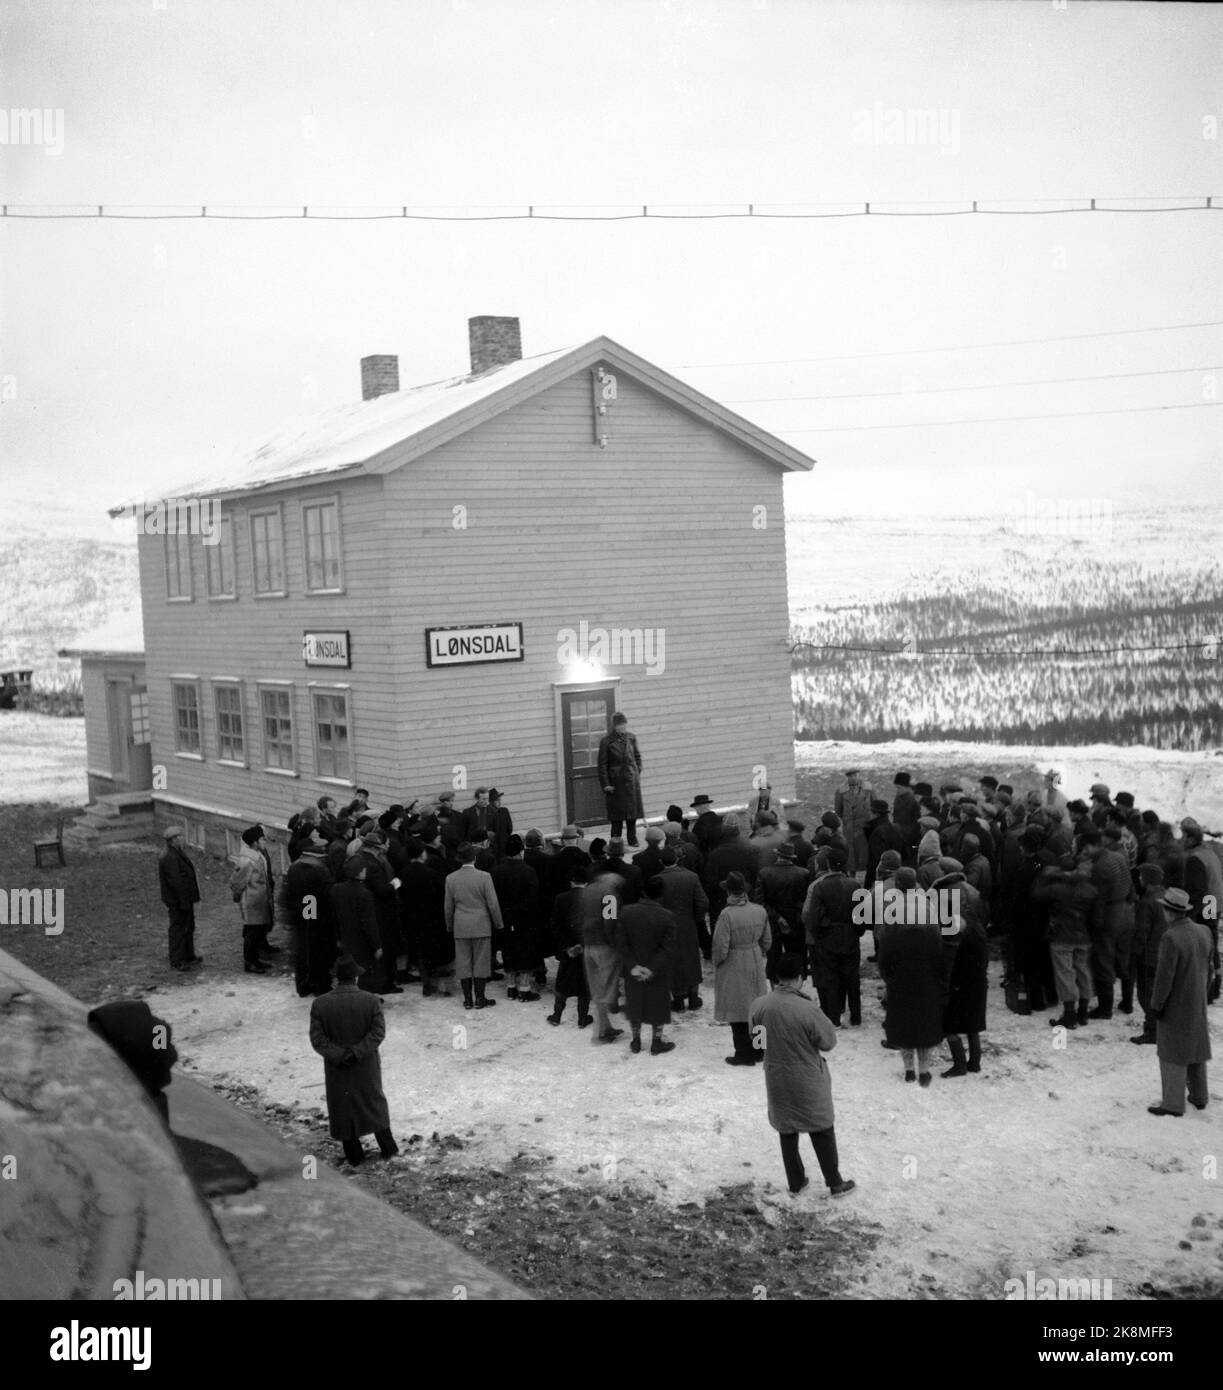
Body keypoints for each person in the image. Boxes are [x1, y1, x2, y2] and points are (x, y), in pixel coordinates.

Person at [748, 954, 855, 1198]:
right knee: (821, 1126)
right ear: (799, 979)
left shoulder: (759, 1006)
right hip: (807, 1075)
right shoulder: (808, 1009)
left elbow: (757, 1042)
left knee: (786, 1128)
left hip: (776, 1076)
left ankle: (795, 1181)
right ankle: (835, 1182)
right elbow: (827, 1042)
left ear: (776, 978)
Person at [309, 957, 398, 1164]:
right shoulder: (371, 1001)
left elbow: (318, 1039)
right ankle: (388, 1148)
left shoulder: (320, 1004)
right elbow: (377, 1034)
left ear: (336, 978)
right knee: (373, 1102)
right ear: (356, 977)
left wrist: (340, 1055)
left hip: (336, 1067)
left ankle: (355, 1156)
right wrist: (357, 1052)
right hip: (366, 1064)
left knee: (343, 1107)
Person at [1146, 887, 1212, 1116]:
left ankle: (1172, 1104)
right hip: (1197, 999)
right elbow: (1210, 967)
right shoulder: (1204, 931)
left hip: (1176, 1004)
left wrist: (1156, 1004)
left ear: (1169, 912)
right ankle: (1199, 1095)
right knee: (1196, 1049)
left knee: (1172, 1053)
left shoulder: (1170, 937)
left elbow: (1164, 977)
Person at [877, 884, 945, 1086]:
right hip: (926, 988)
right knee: (924, 1032)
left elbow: (883, 962)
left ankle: (908, 1070)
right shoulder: (932, 937)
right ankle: (924, 1071)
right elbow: (940, 964)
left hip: (900, 987)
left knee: (905, 1030)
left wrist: (890, 981)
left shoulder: (893, 937)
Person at [1033, 853, 1097, 1030]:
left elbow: (1037, 894)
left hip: (1062, 935)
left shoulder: (1057, 889)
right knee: (1083, 971)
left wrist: (1047, 875)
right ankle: (1083, 1012)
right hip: (1083, 935)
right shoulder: (1090, 889)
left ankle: (1069, 1014)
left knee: (1065, 974)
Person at [713, 870, 771, 1065]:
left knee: (737, 1010)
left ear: (729, 891)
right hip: (754, 958)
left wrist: (718, 962)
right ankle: (760, 1050)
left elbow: (721, 947)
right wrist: (759, 951)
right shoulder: (759, 910)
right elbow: (768, 940)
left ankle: (743, 1054)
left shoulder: (726, 915)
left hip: (734, 961)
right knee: (757, 1009)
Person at [802, 849, 862, 1028]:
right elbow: (862, 915)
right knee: (852, 977)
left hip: (828, 937)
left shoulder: (821, 886)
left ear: (827, 865)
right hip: (850, 935)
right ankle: (856, 1016)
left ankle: (834, 1017)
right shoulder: (855, 885)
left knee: (831, 977)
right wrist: (856, 932)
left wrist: (820, 934)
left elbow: (813, 918)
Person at [616, 876, 677, 1054]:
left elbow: (621, 943)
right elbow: (668, 948)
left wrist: (633, 965)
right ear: (661, 894)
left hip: (632, 969)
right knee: (658, 1005)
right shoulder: (667, 916)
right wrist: (651, 968)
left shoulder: (626, 912)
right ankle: (656, 1041)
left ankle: (636, 1040)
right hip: (657, 971)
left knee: (634, 1002)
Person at [444, 842, 504, 1010]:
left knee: (463, 963)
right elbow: (492, 903)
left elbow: (448, 907)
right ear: (475, 858)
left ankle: (467, 999)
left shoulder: (450, 879)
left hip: (461, 925)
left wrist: (450, 925)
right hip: (481, 925)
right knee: (480, 962)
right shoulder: (484, 877)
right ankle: (480, 997)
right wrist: (498, 923)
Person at [282, 830, 337, 997]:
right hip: (317, 919)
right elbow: (325, 896)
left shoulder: (294, 868)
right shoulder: (319, 870)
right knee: (319, 952)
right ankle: (320, 986)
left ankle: (302, 985)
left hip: (301, 918)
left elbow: (290, 895)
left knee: (302, 952)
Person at [656, 845, 708, 1011]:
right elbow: (702, 902)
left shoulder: (657, 880)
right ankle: (693, 996)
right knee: (691, 958)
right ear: (677, 859)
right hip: (688, 923)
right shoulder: (691, 877)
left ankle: (678, 998)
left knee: (673, 961)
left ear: (661, 861)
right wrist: (696, 918)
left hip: (667, 926)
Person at [491, 834, 541, 1000]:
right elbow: (533, 899)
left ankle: (511, 986)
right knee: (525, 953)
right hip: (524, 920)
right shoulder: (529, 871)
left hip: (504, 918)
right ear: (521, 851)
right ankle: (525, 989)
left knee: (508, 951)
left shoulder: (496, 871)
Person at [580, 870, 626, 1043]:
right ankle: (600, 1031)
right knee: (607, 988)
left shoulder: (588, 890)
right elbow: (610, 921)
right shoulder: (610, 895)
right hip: (604, 945)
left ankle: (605, 1027)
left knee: (597, 988)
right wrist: (614, 943)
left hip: (588, 942)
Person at [942, 910, 988, 1078]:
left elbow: (963, 969)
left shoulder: (968, 942)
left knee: (949, 1026)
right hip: (978, 989)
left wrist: (954, 987)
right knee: (972, 1027)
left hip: (964, 990)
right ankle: (974, 1062)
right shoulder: (980, 937)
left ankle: (959, 1064)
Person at [547, 865, 593, 1028]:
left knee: (562, 982)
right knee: (585, 983)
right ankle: (582, 1017)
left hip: (569, 949)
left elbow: (555, 925)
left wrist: (567, 946)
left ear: (572, 881)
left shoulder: (561, 898)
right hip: (587, 947)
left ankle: (557, 1015)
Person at [1130, 862, 1170, 1045]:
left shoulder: (1147, 903)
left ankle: (1152, 1031)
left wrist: (1134, 954)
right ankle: (1162, 1027)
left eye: (1141, 876)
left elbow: (1141, 933)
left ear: (1148, 880)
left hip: (1149, 956)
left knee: (1146, 995)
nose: (1139, 879)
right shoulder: (1166, 897)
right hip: (1164, 953)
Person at [330, 858, 382, 991]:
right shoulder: (365, 894)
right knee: (364, 972)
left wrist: (338, 937)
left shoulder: (337, 889)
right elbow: (369, 922)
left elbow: (334, 916)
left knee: (348, 970)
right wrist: (376, 945)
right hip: (362, 941)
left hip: (345, 939)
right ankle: (365, 998)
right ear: (359, 873)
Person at [230, 824, 275, 974]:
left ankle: (255, 959)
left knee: (258, 931)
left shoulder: (258, 855)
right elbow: (237, 882)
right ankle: (249, 962)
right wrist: (238, 898)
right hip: (251, 903)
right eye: (262, 839)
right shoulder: (247, 860)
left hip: (259, 901)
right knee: (252, 933)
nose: (265, 841)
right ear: (254, 842)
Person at [158, 825, 201, 972]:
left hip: (184, 900)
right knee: (178, 929)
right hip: (178, 901)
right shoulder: (170, 857)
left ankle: (188, 955)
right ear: (174, 840)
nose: (183, 840)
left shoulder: (176, 853)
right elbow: (176, 882)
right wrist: (183, 902)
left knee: (188, 926)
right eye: (181, 837)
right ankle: (177, 959)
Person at [597, 712, 644, 847]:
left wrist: (636, 771)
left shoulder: (631, 738)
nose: (622, 728)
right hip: (616, 782)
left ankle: (632, 838)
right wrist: (606, 784)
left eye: (624, 725)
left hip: (631, 781)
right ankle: (615, 840)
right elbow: (602, 765)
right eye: (620, 725)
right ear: (615, 726)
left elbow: (637, 756)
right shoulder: (606, 741)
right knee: (616, 815)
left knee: (632, 813)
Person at [834, 770, 873, 877]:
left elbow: (874, 805)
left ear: (859, 775)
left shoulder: (868, 789)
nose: (853, 778)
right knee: (851, 854)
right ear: (847, 777)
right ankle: (851, 875)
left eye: (855, 775)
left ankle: (866, 875)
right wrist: (847, 821)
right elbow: (838, 810)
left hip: (865, 827)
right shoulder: (841, 791)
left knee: (864, 853)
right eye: (850, 776)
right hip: (849, 828)